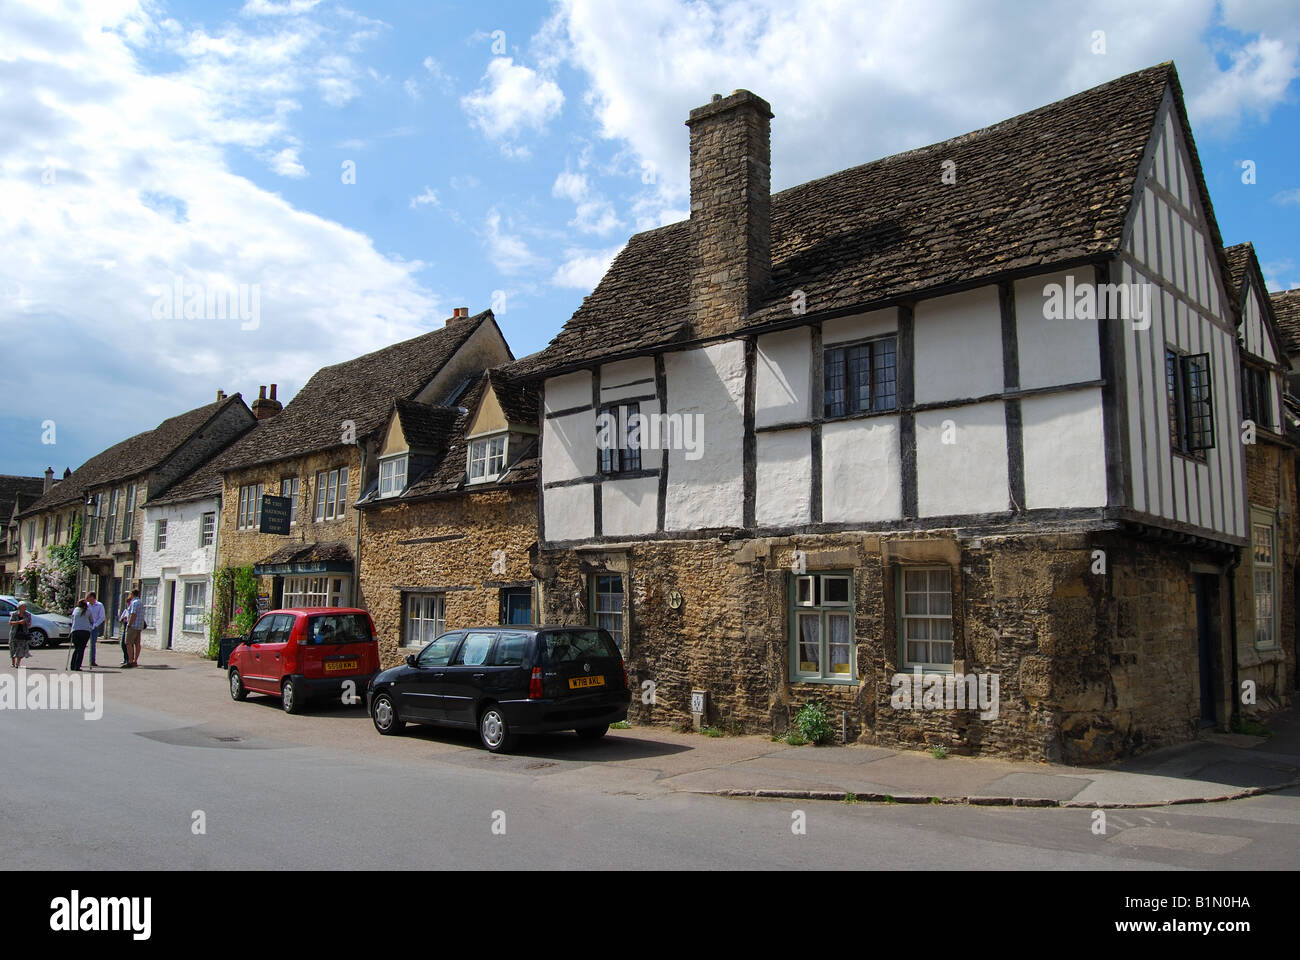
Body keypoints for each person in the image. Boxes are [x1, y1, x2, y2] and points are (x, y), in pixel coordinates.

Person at [68, 595, 93, 671]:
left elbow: (72, 619)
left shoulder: (75, 610)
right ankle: (77, 666)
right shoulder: (88, 611)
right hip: (85, 632)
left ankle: (72, 666)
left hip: (75, 631)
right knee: (81, 649)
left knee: (77, 648)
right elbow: (91, 621)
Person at [123, 589, 145, 668]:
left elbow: (133, 614)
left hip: (133, 626)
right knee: (137, 644)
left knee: (128, 643)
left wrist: (129, 624)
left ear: (132, 594)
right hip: (139, 626)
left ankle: (130, 661)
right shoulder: (141, 602)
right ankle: (135, 660)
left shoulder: (134, 603)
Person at [8, 600, 31, 668]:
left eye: (25, 607)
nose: (24, 608)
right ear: (19, 607)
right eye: (23, 607)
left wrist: (26, 622)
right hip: (14, 633)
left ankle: (18, 663)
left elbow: (29, 624)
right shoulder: (14, 614)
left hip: (23, 634)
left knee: (20, 648)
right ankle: (13, 663)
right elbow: (10, 623)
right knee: (13, 648)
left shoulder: (27, 615)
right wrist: (18, 622)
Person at [86, 591, 105, 668]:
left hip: (94, 626)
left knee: (92, 644)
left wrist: (95, 625)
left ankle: (92, 661)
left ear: (93, 598)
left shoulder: (99, 605)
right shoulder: (86, 605)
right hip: (86, 626)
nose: (88, 600)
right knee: (83, 644)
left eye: (90, 598)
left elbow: (102, 617)